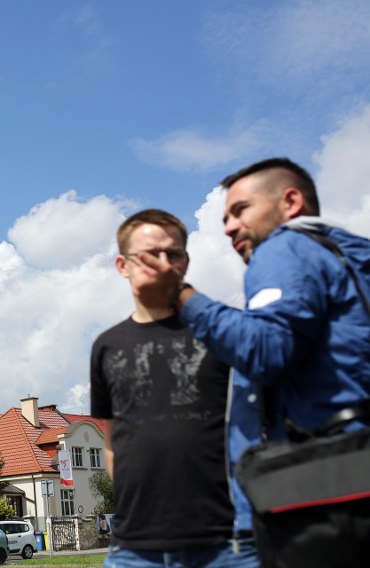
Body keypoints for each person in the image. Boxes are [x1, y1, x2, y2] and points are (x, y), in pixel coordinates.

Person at [142, 158, 370, 564]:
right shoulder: (352, 256)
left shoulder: (285, 248)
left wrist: (181, 296)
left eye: (240, 210)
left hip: (315, 498)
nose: (228, 227)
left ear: (291, 201)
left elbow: (266, 350)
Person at [90, 209, 258, 567]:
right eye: (150, 254)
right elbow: (111, 442)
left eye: (174, 253)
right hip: (133, 549)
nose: (163, 262)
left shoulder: (220, 331)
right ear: (123, 265)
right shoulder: (106, 346)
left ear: (186, 262)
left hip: (224, 544)